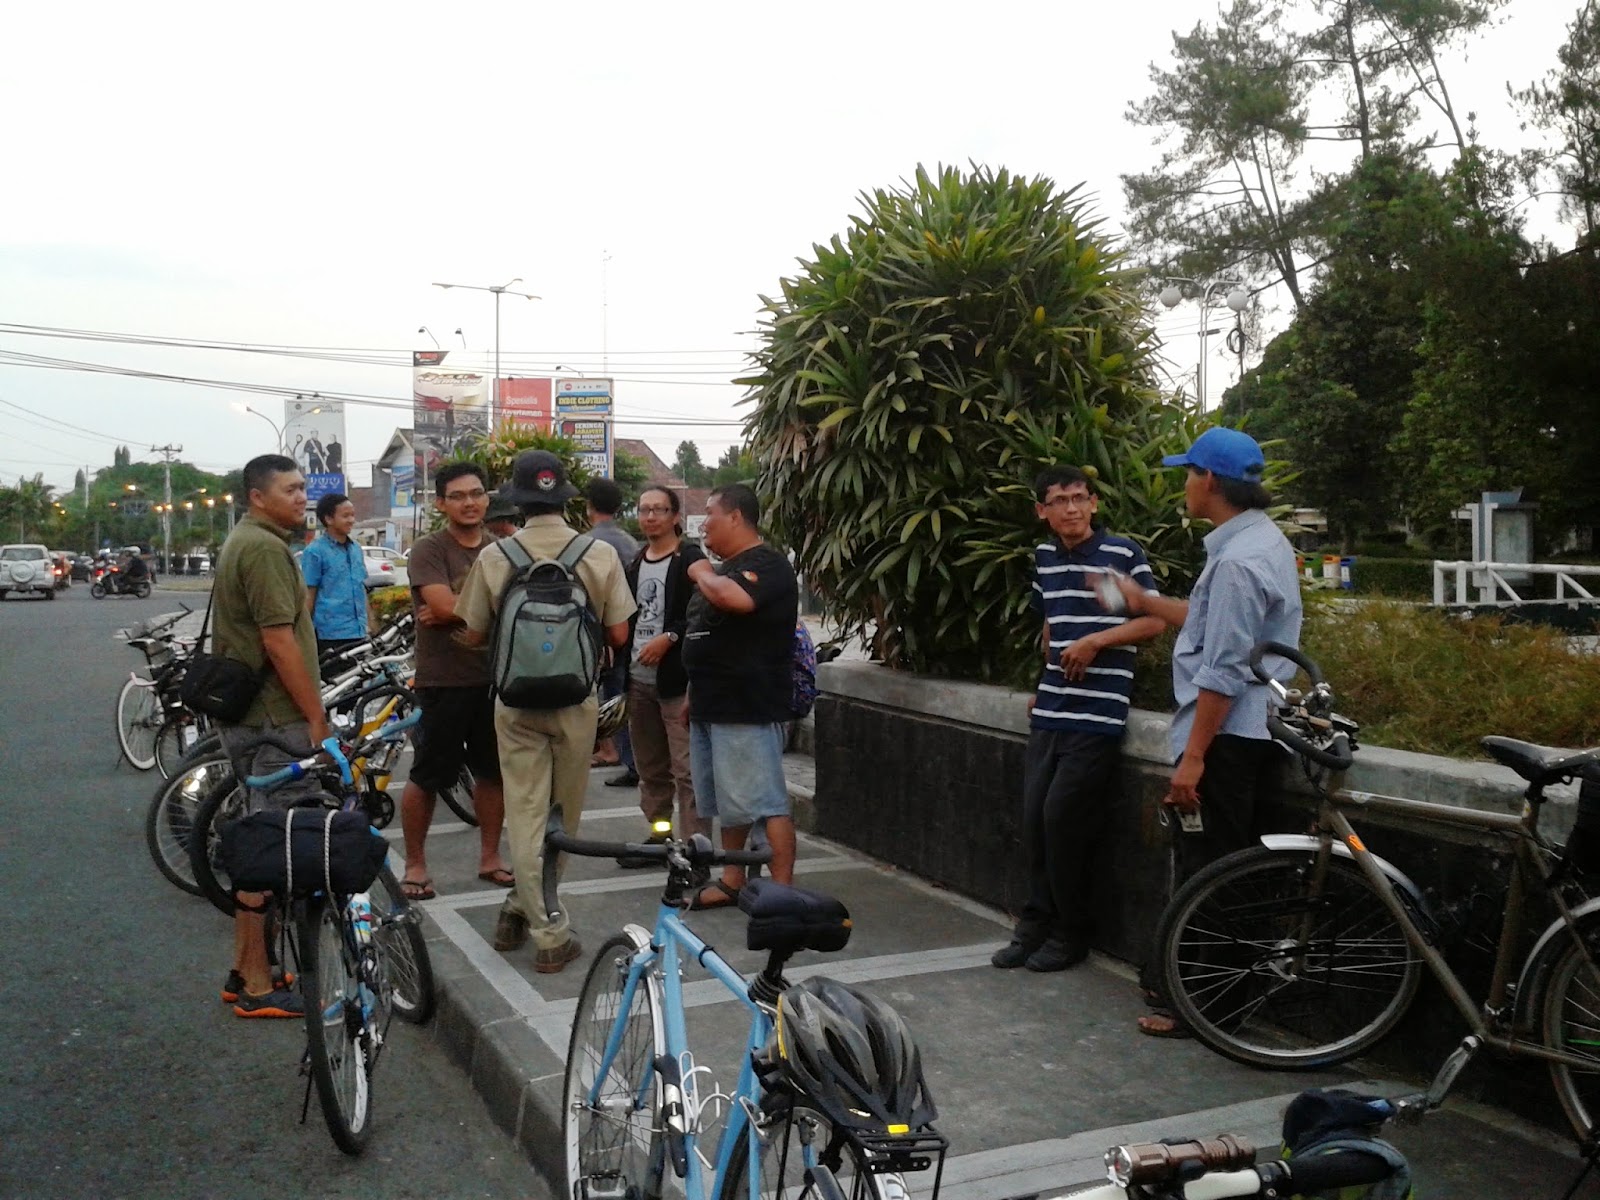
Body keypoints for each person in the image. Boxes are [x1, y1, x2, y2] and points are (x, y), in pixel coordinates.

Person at [1103, 427, 1303, 1036]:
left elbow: (1223, 671)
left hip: (1226, 742)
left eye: (1189, 474)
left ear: (1209, 481)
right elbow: (1213, 624)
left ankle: (1205, 1010)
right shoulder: (1256, 544)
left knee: (1212, 875)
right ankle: (1208, 999)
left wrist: (1193, 760)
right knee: (1220, 870)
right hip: (1241, 737)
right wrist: (1142, 601)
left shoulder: (1240, 561)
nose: (1184, 486)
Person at [455, 451, 636, 972]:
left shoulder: (495, 556)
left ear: (518, 500)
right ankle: (550, 934)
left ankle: (519, 906)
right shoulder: (597, 554)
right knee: (560, 819)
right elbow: (620, 634)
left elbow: (472, 633)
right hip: (577, 704)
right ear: (564, 500)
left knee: (527, 813)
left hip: (513, 706)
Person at [991, 467, 1166, 973]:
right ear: (1041, 512)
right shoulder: (1046, 559)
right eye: (1059, 501)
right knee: (1036, 823)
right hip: (1051, 711)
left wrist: (1095, 642)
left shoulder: (1118, 556)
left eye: (1079, 499)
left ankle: (1070, 934)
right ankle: (1033, 926)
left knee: (1062, 821)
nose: (1071, 508)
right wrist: (1045, 678)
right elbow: (1052, 623)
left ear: (1094, 504)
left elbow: (1150, 620)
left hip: (1097, 714)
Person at [210, 454, 330, 1018]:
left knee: (263, 835)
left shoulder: (251, 539)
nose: (302, 497)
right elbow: (278, 642)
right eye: (292, 488)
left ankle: (244, 969)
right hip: (271, 720)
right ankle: (258, 984)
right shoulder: (260, 547)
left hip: (257, 717)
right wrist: (316, 717)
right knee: (268, 847)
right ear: (259, 496)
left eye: (303, 487)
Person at [681, 483, 799, 910]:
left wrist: (699, 571)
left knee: (766, 801)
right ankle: (732, 879)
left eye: (710, 513)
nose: (704, 523)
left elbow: (735, 601)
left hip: (747, 705)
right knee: (725, 801)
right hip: (711, 703)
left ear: (735, 517)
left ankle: (782, 891)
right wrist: (694, 693)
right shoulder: (724, 568)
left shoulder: (766, 564)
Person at [398, 462, 512, 901]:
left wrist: (455, 609)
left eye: (477, 494)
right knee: (429, 775)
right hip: (443, 681)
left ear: (487, 499)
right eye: (459, 496)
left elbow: (457, 608)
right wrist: (466, 608)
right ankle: (415, 864)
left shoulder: (502, 549)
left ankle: (490, 858)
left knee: (492, 774)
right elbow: (441, 606)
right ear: (441, 503)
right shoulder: (430, 550)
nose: (470, 502)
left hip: (492, 679)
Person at [618, 486, 709, 863]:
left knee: (687, 770)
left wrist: (669, 638)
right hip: (638, 680)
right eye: (644, 509)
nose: (650, 516)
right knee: (651, 768)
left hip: (677, 683)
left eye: (659, 509)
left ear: (675, 517)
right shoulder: (635, 563)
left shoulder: (690, 559)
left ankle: (696, 847)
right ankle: (661, 836)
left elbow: (701, 615)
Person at [584, 478, 641, 786]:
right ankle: (627, 757)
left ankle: (626, 759)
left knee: (614, 693)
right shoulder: (630, 542)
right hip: (635, 627)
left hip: (609, 631)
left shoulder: (588, 544)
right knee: (627, 692)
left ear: (589, 506)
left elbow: (595, 595)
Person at [300, 493, 369, 672]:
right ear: (328, 519)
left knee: (357, 687)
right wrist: (304, 635)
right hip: (329, 635)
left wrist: (372, 626)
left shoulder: (356, 549)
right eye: (345, 516)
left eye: (353, 515)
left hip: (358, 632)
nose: (351, 520)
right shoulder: (315, 552)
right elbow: (309, 595)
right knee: (335, 689)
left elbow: (361, 588)